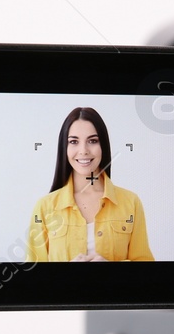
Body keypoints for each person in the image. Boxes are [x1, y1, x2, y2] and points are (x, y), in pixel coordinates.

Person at [26, 107, 153, 262]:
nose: (83, 150)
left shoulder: (131, 202)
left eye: (92, 141)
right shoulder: (44, 207)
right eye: (73, 141)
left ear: (103, 146)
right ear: (64, 148)